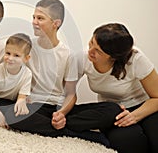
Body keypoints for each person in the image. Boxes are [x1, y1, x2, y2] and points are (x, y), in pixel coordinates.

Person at [4, 0, 113, 146]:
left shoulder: (67, 54)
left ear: (56, 23)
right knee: (11, 113)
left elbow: (71, 94)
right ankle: (76, 133)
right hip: (33, 106)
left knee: (112, 109)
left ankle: (59, 124)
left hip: (57, 107)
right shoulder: (25, 47)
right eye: (34, 17)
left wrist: (61, 114)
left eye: (40, 18)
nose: (34, 22)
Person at [65, 23, 158, 153]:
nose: (90, 51)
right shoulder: (81, 58)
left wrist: (134, 116)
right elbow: (69, 93)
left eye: (98, 51)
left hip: (146, 106)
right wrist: (61, 112)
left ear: (114, 57)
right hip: (114, 111)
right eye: (91, 43)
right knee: (130, 143)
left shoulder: (136, 59)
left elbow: (156, 97)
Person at [0, 33, 32, 128]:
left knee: (15, 114)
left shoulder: (27, 74)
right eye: (8, 53)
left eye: (16, 55)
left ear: (26, 58)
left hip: (9, 103)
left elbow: (21, 98)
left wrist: (21, 104)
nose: (10, 58)